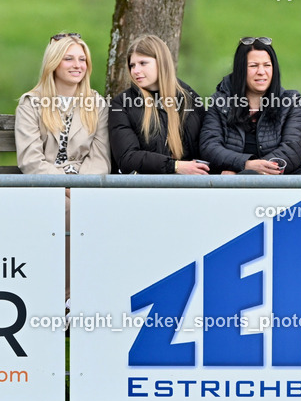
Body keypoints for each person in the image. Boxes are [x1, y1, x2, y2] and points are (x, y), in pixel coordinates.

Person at [15, 32, 110, 304]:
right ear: (53, 63)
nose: (77, 65)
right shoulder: (31, 103)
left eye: (82, 59)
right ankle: (68, 299)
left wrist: (79, 187)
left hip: (85, 188)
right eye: (68, 58)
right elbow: (31, 160)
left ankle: (98, 296)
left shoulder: (97, 104)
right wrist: (66, 186)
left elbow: (101, 158)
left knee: (103, 212)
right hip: (43, 187)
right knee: (71, 214)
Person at [199, 37, 301, 174]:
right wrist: (245, 164)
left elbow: (292, 150)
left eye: (267, 65)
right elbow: (209, 147)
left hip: (279, 183)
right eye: (253, 66)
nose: (261, 71)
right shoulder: (220, 102)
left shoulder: (290, 102)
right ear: (240, 70)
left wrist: (252, 171)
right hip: (231, 186)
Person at [108, 34, 208, 174]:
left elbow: (205, 147)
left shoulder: (188, 100)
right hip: (142, 189)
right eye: (132, 65)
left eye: (143, 63)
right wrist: (174, 166)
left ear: (161, 62)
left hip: (187, 188)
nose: (135, 71)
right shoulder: (121, 105)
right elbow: (127, 158)